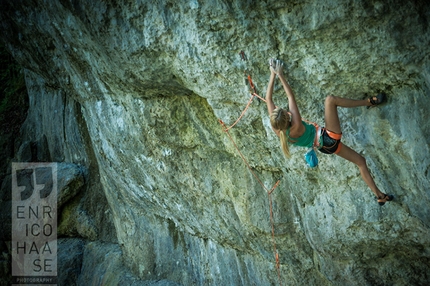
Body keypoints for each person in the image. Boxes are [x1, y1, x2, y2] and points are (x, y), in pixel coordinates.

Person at [265, 58, 393, 206]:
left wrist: (272, 73)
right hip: (328, 137)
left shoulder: (278, 131)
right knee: (330, 100)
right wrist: (279, 74)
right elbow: (290, 96)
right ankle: (369, 102)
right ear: (287, 116)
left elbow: (268, 99)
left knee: (361, 162)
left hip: (325, 147)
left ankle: (379, 196)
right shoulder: (296, 123)